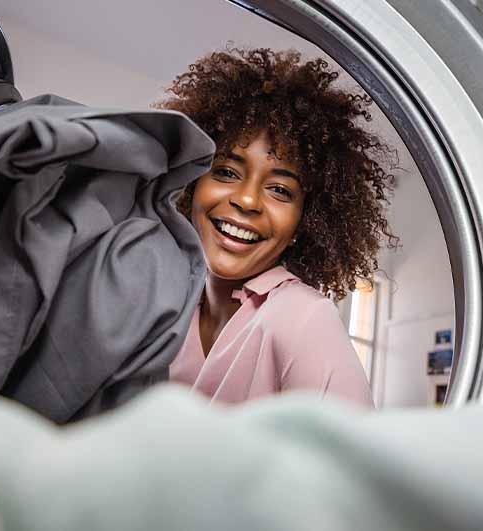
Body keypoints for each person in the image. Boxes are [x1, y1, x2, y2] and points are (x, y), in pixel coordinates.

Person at [158, 48, 396, 407]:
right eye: (226, 172)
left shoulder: (304, 318)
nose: (248, 200)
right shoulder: (165, 307)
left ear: (306, 220)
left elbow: (350, 459)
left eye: (280, 190)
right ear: (191, 184)